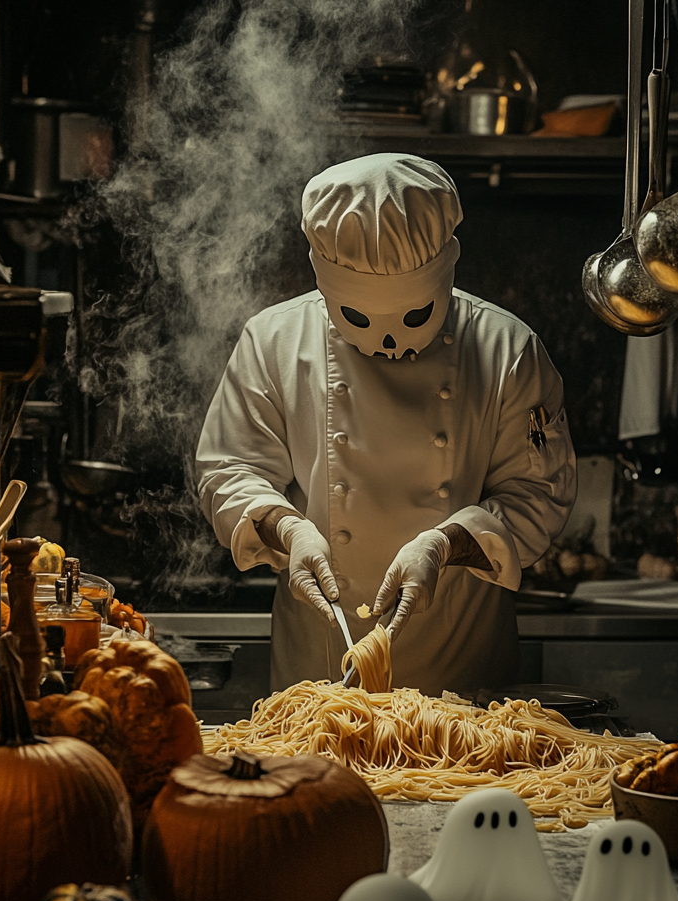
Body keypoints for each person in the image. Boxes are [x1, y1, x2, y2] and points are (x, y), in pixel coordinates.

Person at [196, 153, 576, 694]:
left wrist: (445, 546)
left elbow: (541, 494)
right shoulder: (273, 341)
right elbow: (229, 469)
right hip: (320, 671)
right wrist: (289, 528)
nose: (391, 343)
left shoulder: (508, 350)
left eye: (417, 315)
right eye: (357, 318)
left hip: (464, 673)